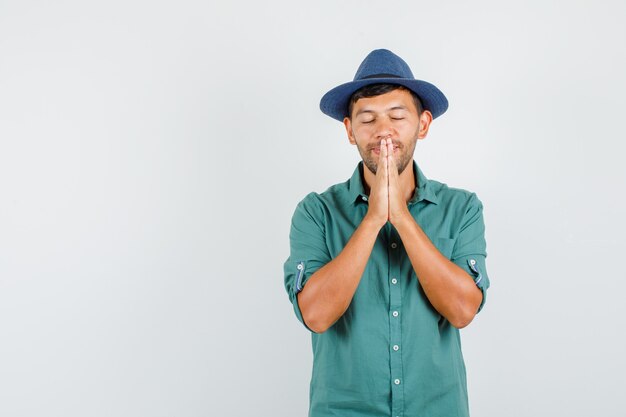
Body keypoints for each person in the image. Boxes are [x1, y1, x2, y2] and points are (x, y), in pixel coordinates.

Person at [283, 49, 491, 417]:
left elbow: (462, 311)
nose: (383, 131)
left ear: (422, 125)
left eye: (397, 116)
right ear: (349, 130)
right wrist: (373, 219)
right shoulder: (316, 212)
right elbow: (314, 315)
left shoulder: (462, 208)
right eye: (368, 119)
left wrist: (402, 218)